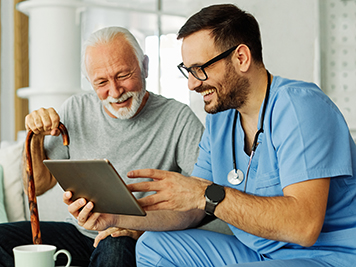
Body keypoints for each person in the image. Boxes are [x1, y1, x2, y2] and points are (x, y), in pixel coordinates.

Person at [65, 4, 356, 267]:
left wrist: (204, 193)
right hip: (256, 250)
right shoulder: (221, 120)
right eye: (187, 71)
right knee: (154, 247)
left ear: (241, 57)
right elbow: (192, 210)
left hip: (323, 255)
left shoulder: (300, 107)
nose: (192, 84)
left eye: (200, 69)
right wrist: (115, 218)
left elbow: (304, 227)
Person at [0, 26, 204, 267]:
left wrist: (141, 229)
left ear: (145, 66)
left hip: (134, 235)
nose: (115, 91)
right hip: (79, 232)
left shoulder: (178, 117)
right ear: (89, 82)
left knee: (115, 246)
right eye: (101, 82)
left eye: (124, 75)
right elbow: (38, 186)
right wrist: (36, 137)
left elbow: (204, 200)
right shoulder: (75, 109)